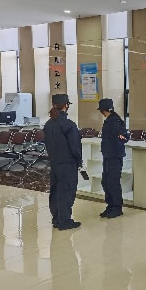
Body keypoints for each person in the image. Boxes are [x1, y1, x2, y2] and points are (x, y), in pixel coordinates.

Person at [44, 94, 82, 231]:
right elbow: (75, 147)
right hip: (67, 163)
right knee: (66, 191)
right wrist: (79, 161)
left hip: (54, 163)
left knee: (55, 190)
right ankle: (65, 221)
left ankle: (56, 219)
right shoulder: (68, 125)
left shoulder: (48, 124)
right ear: (66, 105)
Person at [98, 98, 130, 219]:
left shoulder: (115, 120)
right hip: (108, 155)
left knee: (113, 182)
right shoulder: (109, 120)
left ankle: (117, 208)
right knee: (105, 182)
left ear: (102, 110)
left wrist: (121, 138)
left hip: (114, 156)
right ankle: (110, 205)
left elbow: (125, 136)